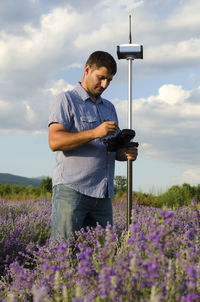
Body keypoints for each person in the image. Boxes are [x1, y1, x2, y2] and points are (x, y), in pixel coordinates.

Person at [48, 50, 138, 239]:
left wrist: (125, 153)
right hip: (72, 190)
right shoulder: (66, 100)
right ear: (87, 69)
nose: (104, 84)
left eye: (109, 80)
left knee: (103, 255)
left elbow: (111, 151)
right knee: (64, 253)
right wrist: (95, 132)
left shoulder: (109, 108)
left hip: (103, 194)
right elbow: (55, 141)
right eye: (101, 78)